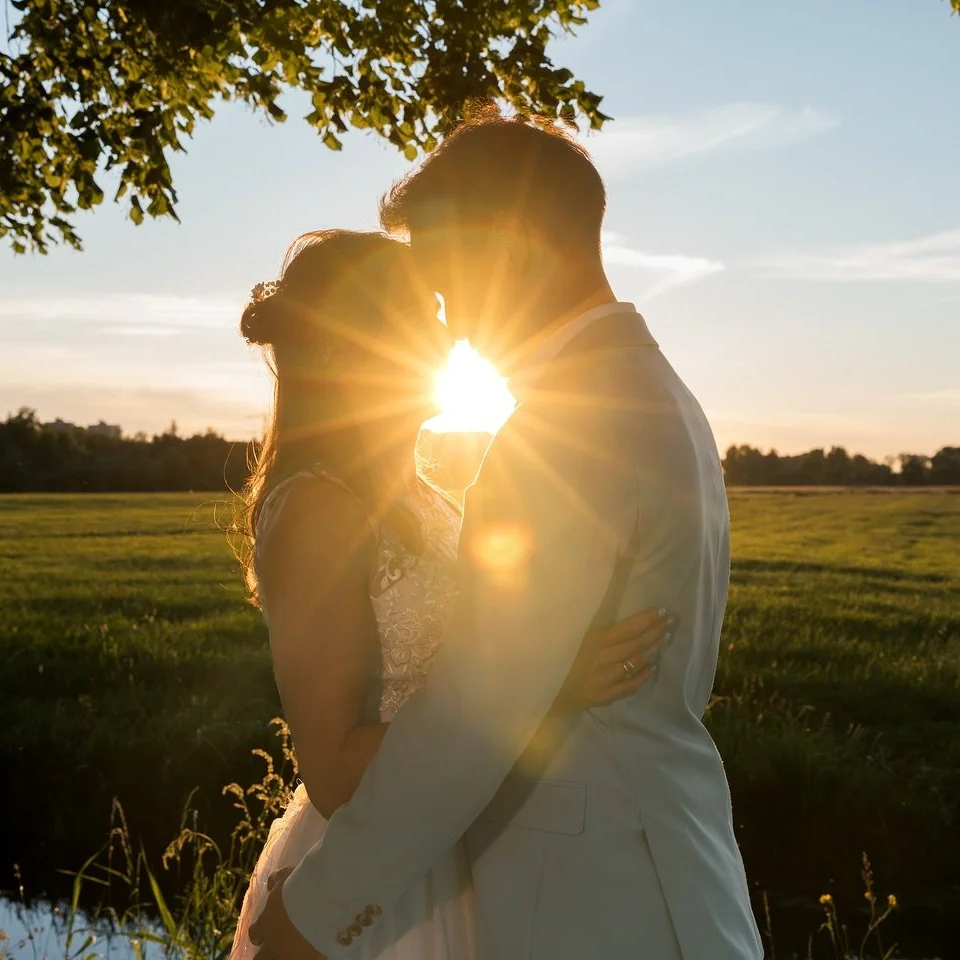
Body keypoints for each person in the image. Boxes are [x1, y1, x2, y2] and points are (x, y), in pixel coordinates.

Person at [248, 111, 764, 960]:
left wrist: (316, 912)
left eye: (449, 278)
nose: (447, 320)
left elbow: (478, 710)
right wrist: (552, 680)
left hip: (598, 898)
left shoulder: (567, 426)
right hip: (659, 870)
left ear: (513, 244)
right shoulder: (652, 391)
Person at [229, 228, 673, 960]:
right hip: (385, 880)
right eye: (418, 314)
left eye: (439, 310)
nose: (447, 336)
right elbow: (337, 772)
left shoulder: (426, 493)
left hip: (461, 838)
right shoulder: (317, 510)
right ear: (343, 347)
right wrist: (547, 688)